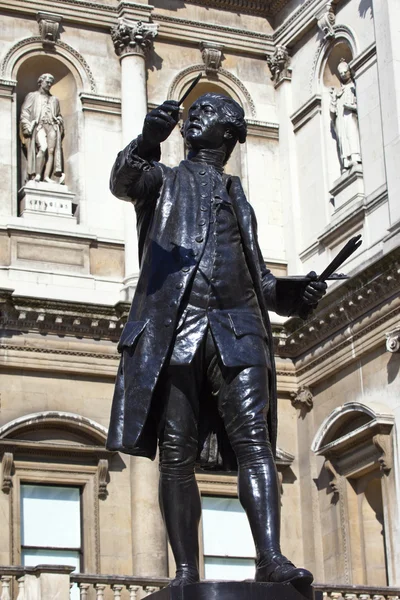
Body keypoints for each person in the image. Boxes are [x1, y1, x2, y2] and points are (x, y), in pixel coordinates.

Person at [106, 92, 326, 587]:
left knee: (256, 443)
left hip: (239, 329)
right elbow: (124, 181)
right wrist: (146, 138)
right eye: (192, 111)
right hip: (177, 328)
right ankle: (185, 570)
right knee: (176, 448)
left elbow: (262, 283)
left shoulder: (237, 194)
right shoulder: (162, 179)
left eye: (206, 112)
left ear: (230, 130)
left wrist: (298, 293)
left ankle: (270, 557)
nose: (192, 117)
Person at [19, 73, 65, 183]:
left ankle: (46, 177)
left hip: (51, 126)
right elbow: (25, 112)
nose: (49, 84)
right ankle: (37, 174)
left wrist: (59, 120)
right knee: (43, 147)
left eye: (51, 83)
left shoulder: (55, 100)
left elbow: (59, 115)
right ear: (40, 82)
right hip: (39, 126)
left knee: (51, 150)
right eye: (47, 82)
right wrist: (27, 126)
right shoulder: (32, 96)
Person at [329, 58, 362, 171]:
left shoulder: (354, 86)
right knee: (343, 138)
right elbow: (333, 113)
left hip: (351, 116)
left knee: (352, 134)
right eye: (341, 73)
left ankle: (355, 156)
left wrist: (352, 107)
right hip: (342, 119)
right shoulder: (339, 92)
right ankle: (346, 162)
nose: (343, 75)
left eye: (345, 72)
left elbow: (361, 103)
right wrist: (333, 99)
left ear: (349, 72)